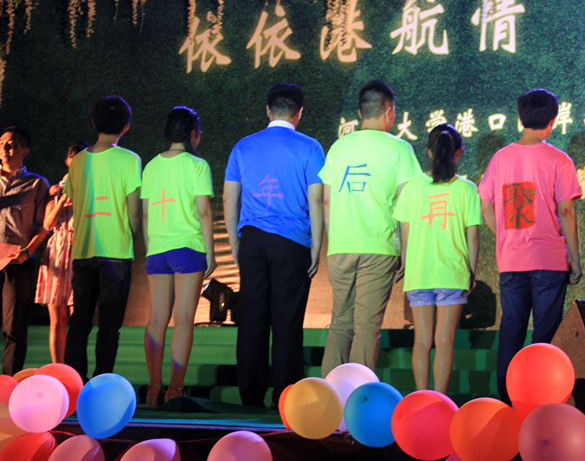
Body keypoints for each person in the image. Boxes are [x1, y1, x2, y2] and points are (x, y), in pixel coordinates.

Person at [478, 88, 582, 406]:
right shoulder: (559, 160)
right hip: (550, 260)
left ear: (521, 118)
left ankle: (508, 398)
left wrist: (504, 235)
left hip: (512, 260)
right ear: (553, 120)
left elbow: (486, 205)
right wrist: (576, 259)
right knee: (545, 334)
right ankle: (541, 399)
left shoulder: (500, 158)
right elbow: (566, 211)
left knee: (512, 329)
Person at [223, 83, 325, 409]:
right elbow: (317, 200)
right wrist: (317, 245)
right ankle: (285, 395)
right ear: (299, 113)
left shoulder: (243, 146)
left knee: (252, 318)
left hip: (252, 239)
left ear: (268, 110)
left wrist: (234, 242)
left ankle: (250, 396)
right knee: (287, 320)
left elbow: (229, 198)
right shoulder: (310, 147)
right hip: (292, 242)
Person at [319, 80, 422, 378]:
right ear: (389, 112)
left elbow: (326, 199)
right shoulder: (400, 149)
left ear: (361, 112)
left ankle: (329, 395)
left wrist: (334, 238)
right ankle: (356, 396)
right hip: (379, 247)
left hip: (341, 247)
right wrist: (407, 251)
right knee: (366, 327)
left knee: (340, 323)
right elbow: (407, 207)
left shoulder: (339, 146)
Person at [393, 124, 481, 394]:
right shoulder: (467, 189)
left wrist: (407, 265)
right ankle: (440, 401)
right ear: (459, 152)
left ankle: (420, 398)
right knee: (444, 341)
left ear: (429, 151)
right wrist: (471, 272)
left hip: (419, 273)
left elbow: (406, 236)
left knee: (421, 341)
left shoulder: (412, 188)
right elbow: (473, 237)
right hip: (452, 274)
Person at [141, 106, 215, 406]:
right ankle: (175, 388)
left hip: (157, 250)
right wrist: (211, 253)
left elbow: (146, 214)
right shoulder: (198, 165)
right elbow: (204, 212)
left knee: (157, 317)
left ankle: (153, 388)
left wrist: (151, 246)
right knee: (183, 318)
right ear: (193, 134)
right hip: (188, 248)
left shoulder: (151, 166)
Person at [64, 96, 141, 382]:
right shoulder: (130, 159)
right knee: (109, 326)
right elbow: (133, 212)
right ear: (126, 126)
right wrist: (134, 232)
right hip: (116, 252)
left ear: (94, 122)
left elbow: (74, 201)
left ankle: (72, 386)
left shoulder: (78, 160)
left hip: (83, 251)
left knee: (79, 323)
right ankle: (101, 387)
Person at [0, 127, 50, 375]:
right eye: (2, 144)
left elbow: (44, 226)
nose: (5, 149)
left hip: (17, 262)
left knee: (14, 328)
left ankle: (7, 385)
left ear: (25, 151)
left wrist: (27, 251)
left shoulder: (37, 184)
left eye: (12, 145)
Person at [35, 141, 90, 364]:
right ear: (67, 161)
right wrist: (62, 199)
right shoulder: (56, 190)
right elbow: (48, 224)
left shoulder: (93, 187)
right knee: (57, 319)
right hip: (58, 250)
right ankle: (57, 368)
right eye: (73, 158)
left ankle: (76, 368)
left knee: (79, 318)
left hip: (82, 250)